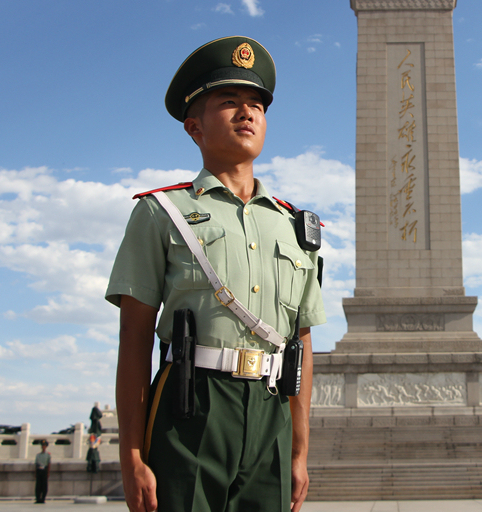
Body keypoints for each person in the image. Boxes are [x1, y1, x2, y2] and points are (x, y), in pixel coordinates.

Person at [106, 36, 326, 512]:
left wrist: (300, 450)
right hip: (191, 406)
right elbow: (134, 337)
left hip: (271, 410)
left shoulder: (295, 226)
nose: (247, 113)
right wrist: (131, 455)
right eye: (229, 103)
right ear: (194, 127)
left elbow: (301, 343)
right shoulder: (161, 212)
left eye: (256, 106)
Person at [34, 439, 51, 504]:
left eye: (44, 445)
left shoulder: (48, 455)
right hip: (39, 470)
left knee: (44, 486)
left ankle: (43, 498)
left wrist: (48, 473)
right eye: (42, 445)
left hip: (44, 471)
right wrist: (35, 473)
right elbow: (36, 464)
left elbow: (49, 464)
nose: (43, 446)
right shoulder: (38, 455)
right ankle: (38, 498)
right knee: (38, 486)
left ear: (46, 446)